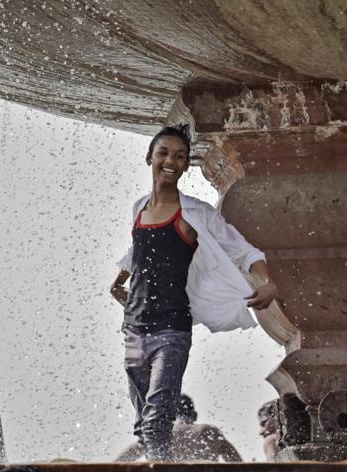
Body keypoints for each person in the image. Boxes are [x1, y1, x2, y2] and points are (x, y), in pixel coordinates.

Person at [110, 124, 278, 461]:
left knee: (158, 418)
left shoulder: (195, 213)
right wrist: (119, 281)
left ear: (186, 165)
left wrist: (267, 282)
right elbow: (139, 250)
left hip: (172, 328)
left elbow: (241, 250)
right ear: (150, 158)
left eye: (180, 156)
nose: (170, 160)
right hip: (134, 326)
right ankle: (163, 462)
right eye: (164, 153)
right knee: (142, 425)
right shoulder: (139, 208)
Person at [116, 394, 242, 462]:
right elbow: (238, 464)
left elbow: (119, 463)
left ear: (169, 415)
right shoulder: (210, 432)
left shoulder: (158, 435)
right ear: (195, 415)